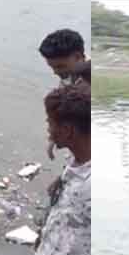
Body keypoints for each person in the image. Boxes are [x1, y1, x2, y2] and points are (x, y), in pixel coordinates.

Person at [30, 83, 91, 255]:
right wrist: (43, 235)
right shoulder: (78, 160)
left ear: (67, 131)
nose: (48, 130)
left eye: (50, 124)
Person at [40, 29, 89, 162]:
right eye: (52, 67)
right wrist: (53, 138)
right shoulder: (70, 76)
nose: (56, 72)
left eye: (60, 66)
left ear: (78, 57)